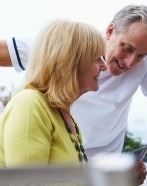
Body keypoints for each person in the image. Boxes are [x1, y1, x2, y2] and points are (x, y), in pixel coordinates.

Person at [0, 4, 147, 185]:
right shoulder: (68, 45)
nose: (131, 63)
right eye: (127, 48)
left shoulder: (70, 123)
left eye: (141, 56)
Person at [0, 19, 106, 167]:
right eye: (97, 58)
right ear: (71, 62)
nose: (105, 66)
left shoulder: (65, 116)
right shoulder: (30, 104)